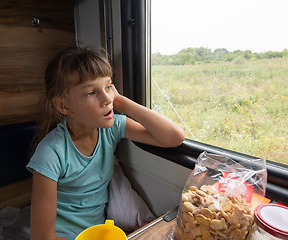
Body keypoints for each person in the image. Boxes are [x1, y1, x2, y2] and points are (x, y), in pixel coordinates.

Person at [26, 46, 185, 240]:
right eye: (91, 93)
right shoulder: (51, 153)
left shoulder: (111, 128)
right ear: (64, 105)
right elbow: (42, 237)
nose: (107, 99)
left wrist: (121, 102)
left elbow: (174, 137)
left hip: (100, 233)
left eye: (108, 86)